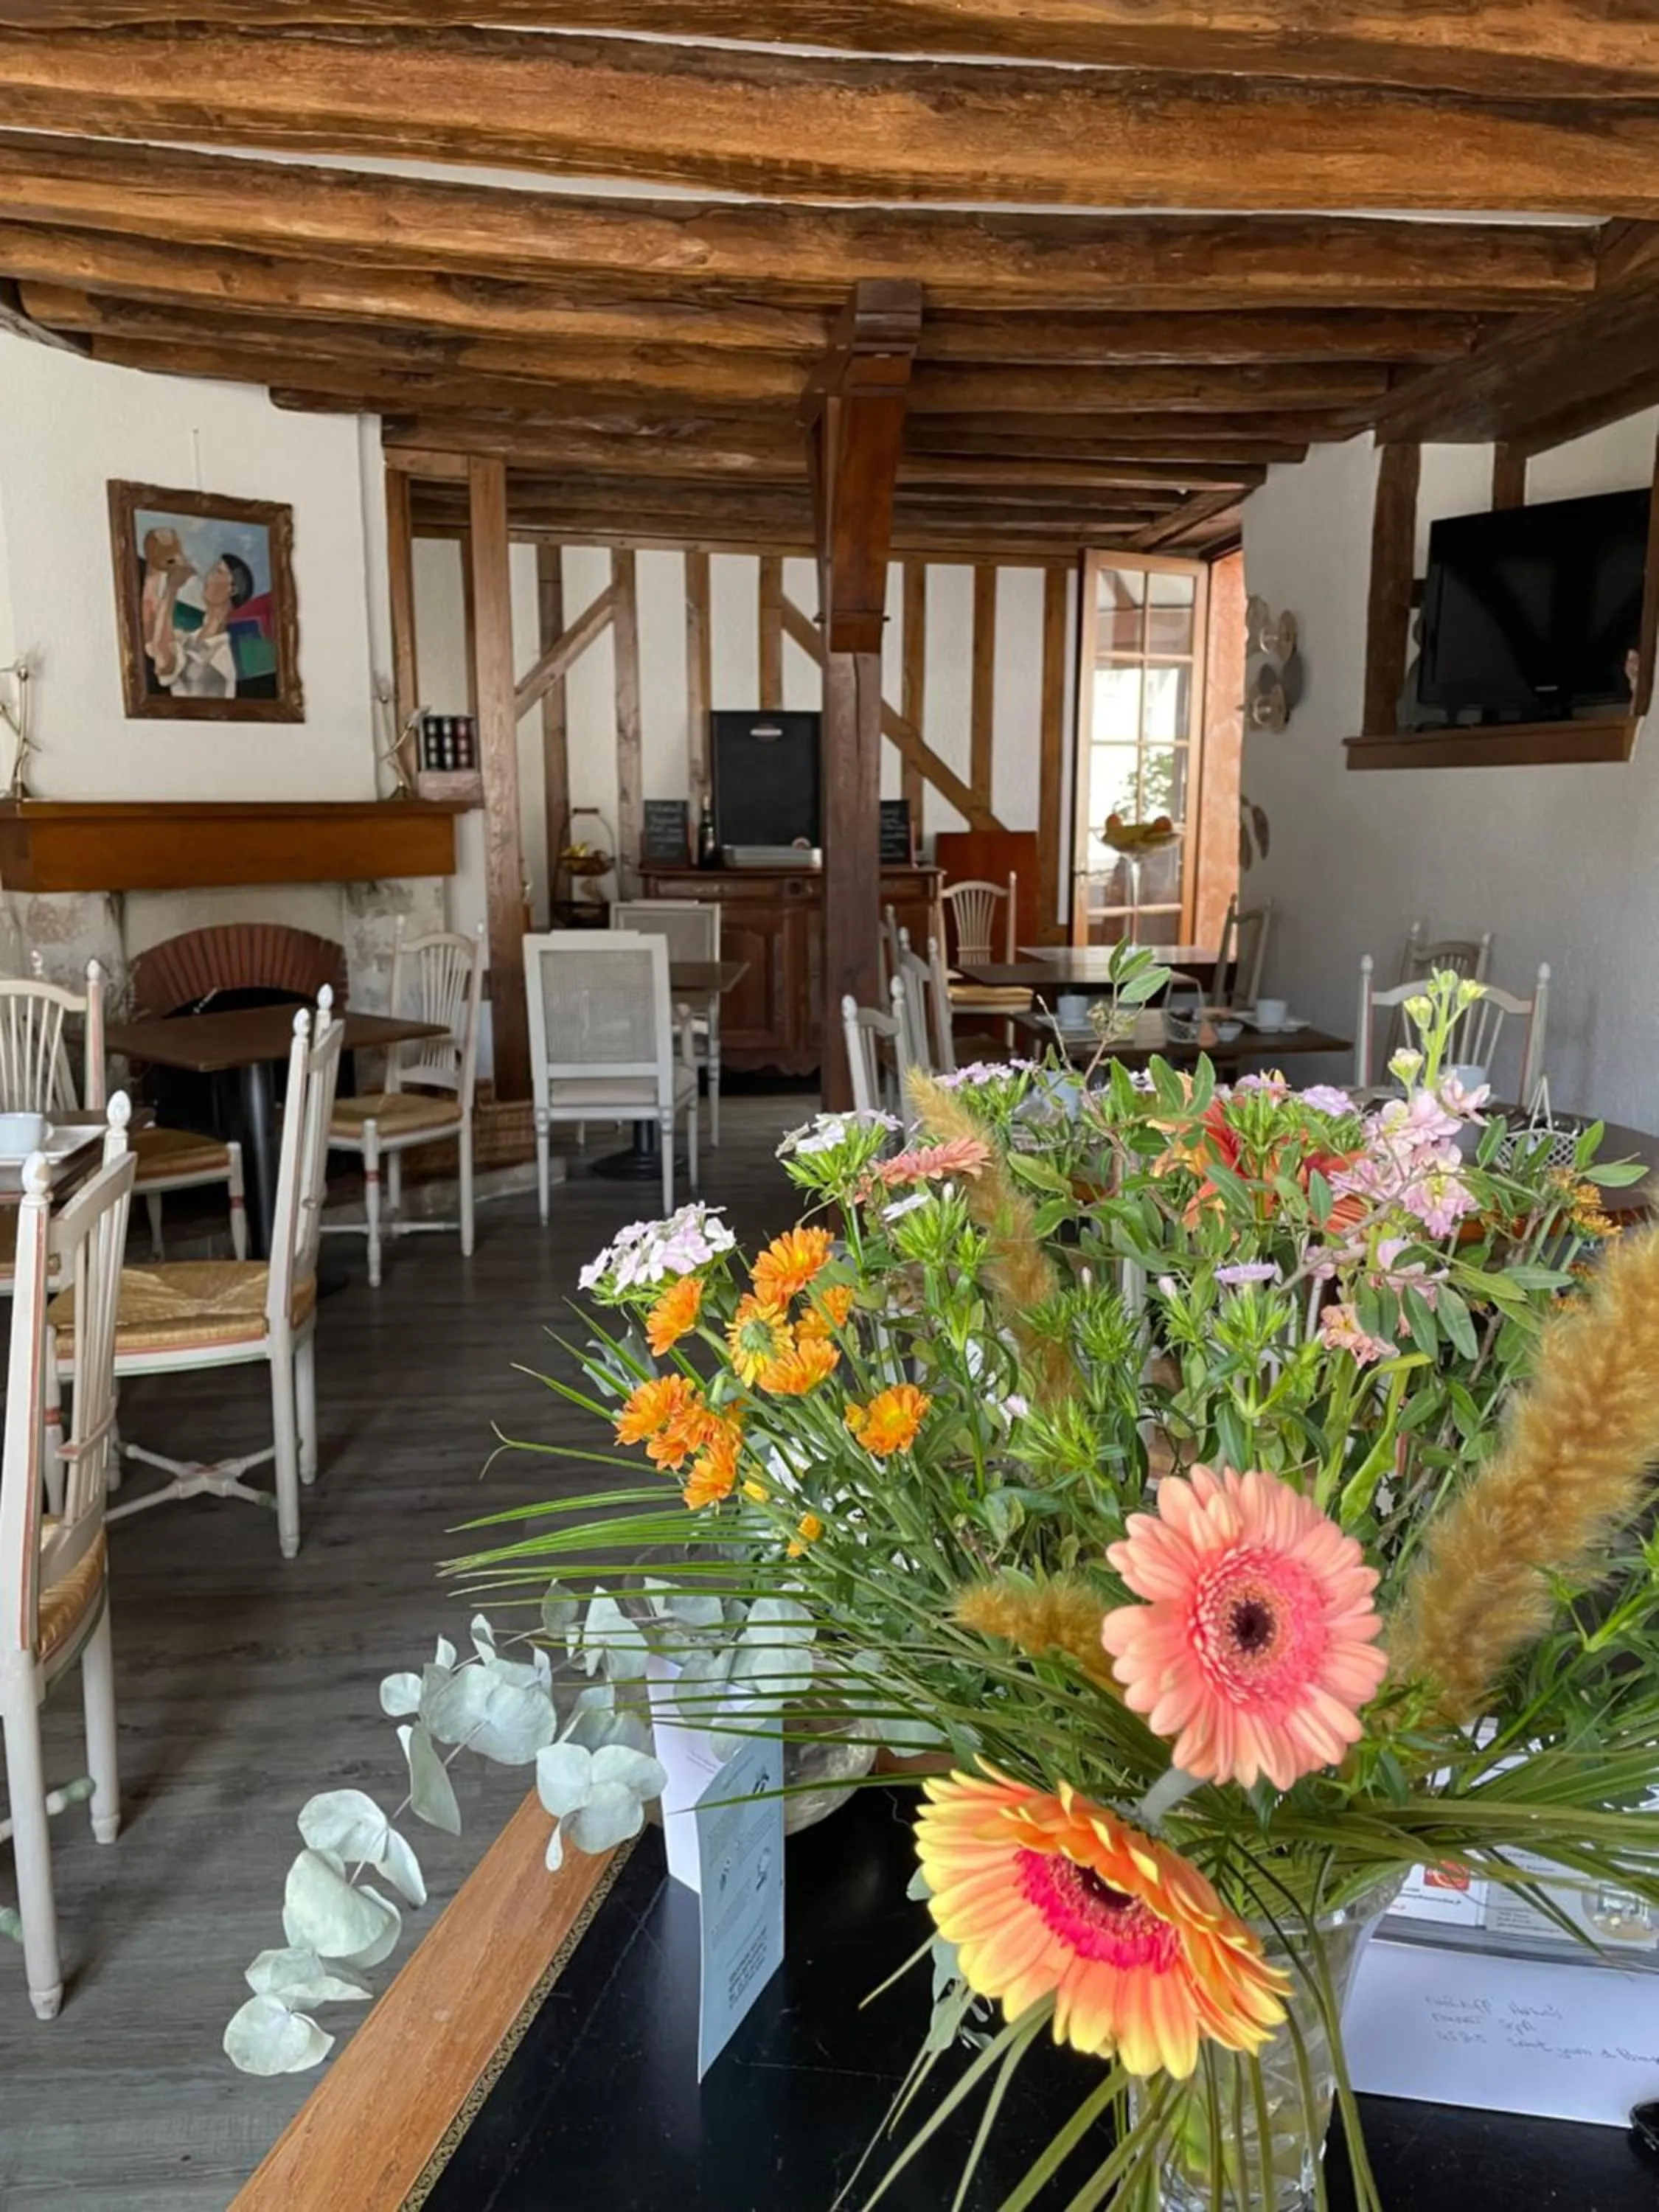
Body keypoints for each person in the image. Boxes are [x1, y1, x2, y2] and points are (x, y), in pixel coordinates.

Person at [145, 548, 255, 700]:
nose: (208, 576)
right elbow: (155, 638)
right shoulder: (191, 638)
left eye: (218, 572)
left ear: (233, 590)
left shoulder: (218, 663)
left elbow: (164, 662)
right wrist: (155, 569)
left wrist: (172, 587)